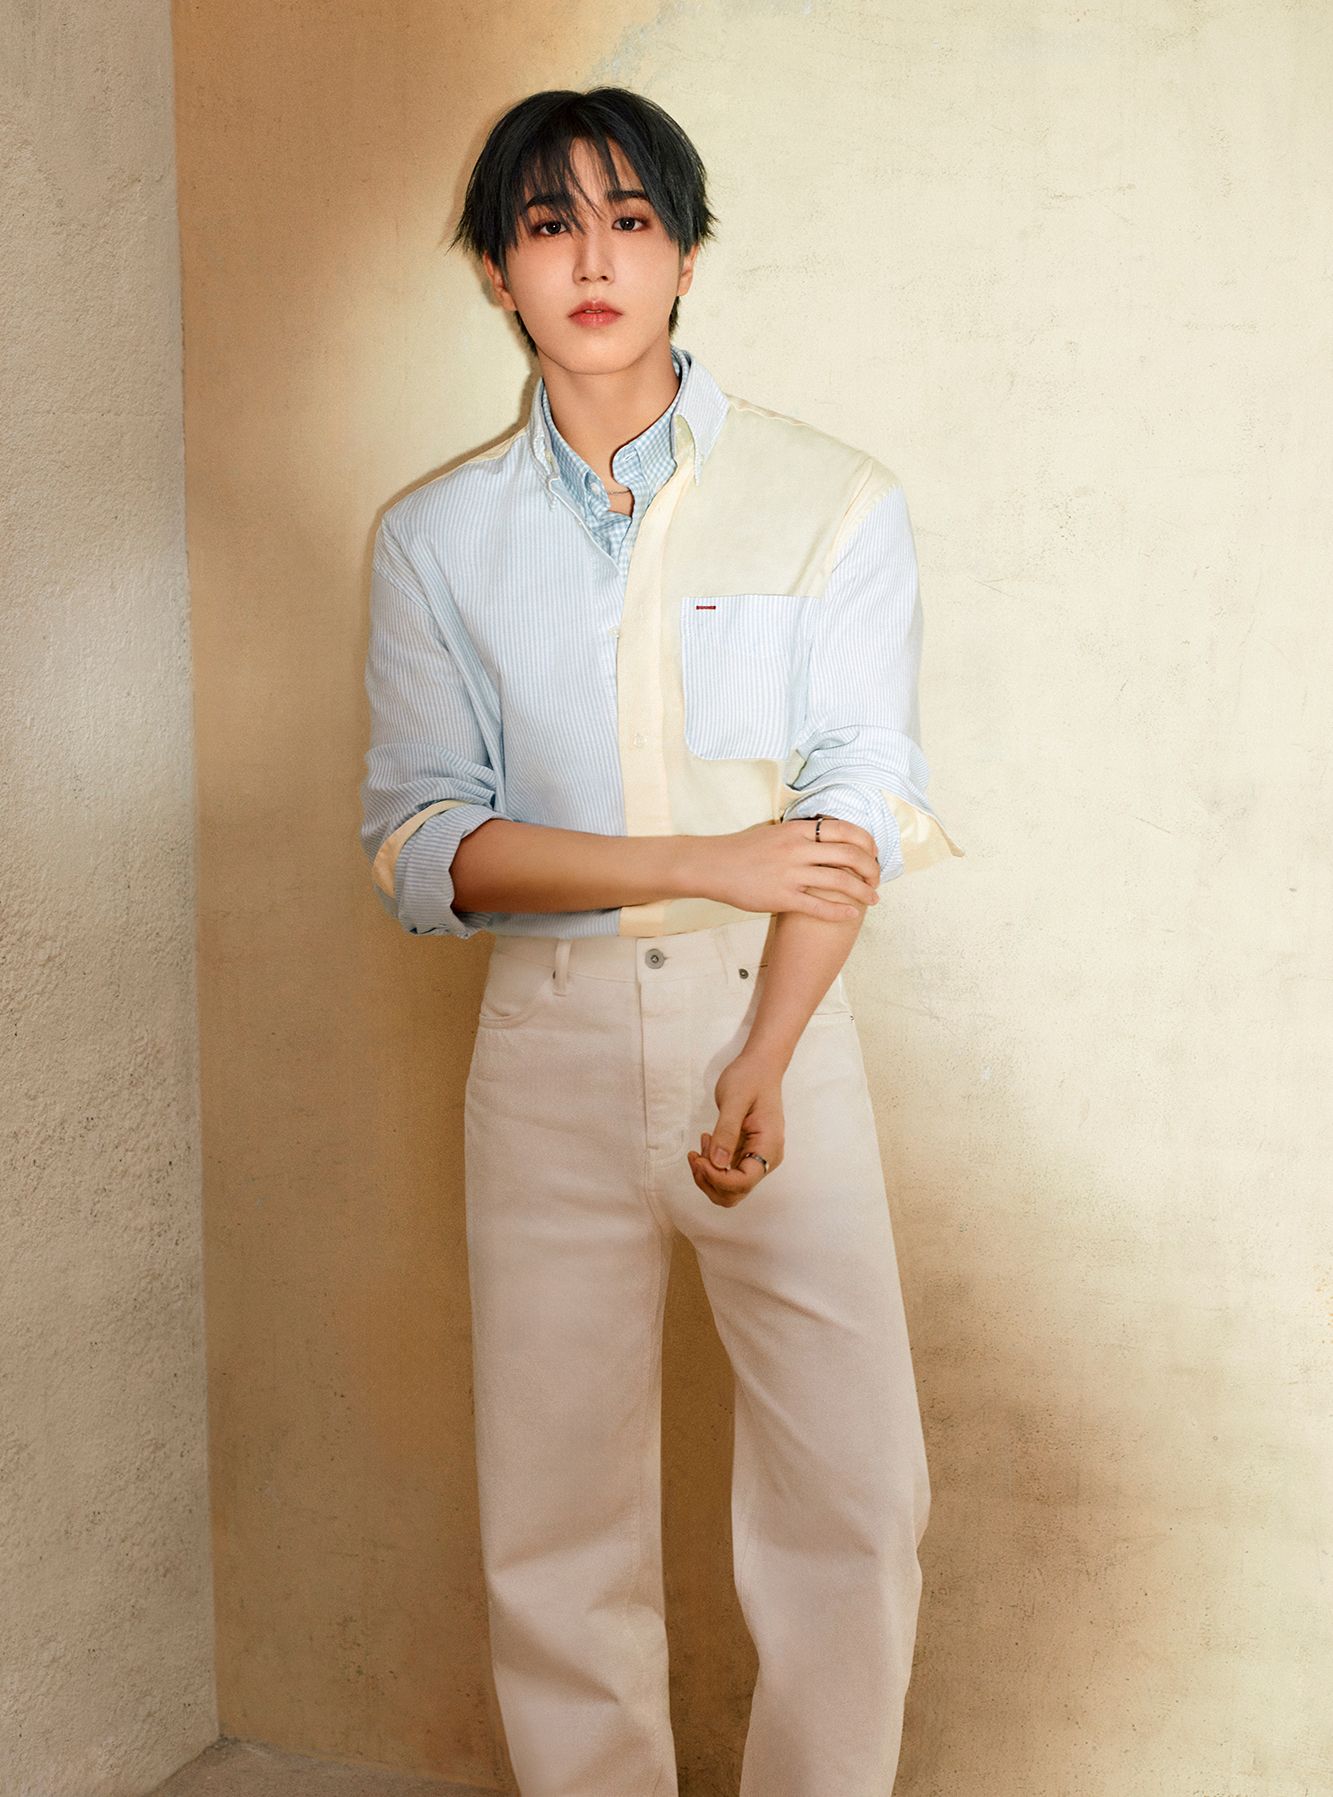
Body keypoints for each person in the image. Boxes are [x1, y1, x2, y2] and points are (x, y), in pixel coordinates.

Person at [359, 84, 964, 1797]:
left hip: (773, 1019)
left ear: (685, 253)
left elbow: (854, 803)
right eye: (546, 224)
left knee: (855, 1496)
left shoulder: (828, 497)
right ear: (495, 272)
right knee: (555, 1514)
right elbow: (422, 846)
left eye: (629, 219)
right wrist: (701, 854)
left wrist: (763, 1053)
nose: (591, 258)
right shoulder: (434, 539)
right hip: (542, 1041)